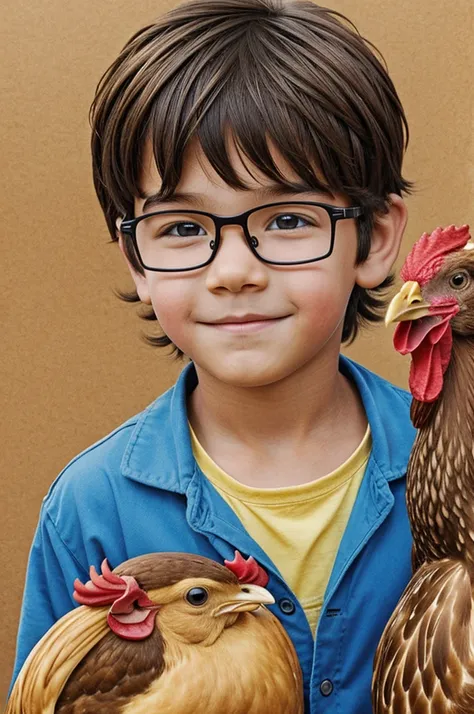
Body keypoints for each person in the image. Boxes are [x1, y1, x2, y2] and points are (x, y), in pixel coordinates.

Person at [9, 0, 417, 711]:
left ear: (376, 238)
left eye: (287, 220)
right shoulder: (92, 505)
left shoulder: (453, 470)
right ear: (134, 253)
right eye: (183, 227)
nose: (233, 271)